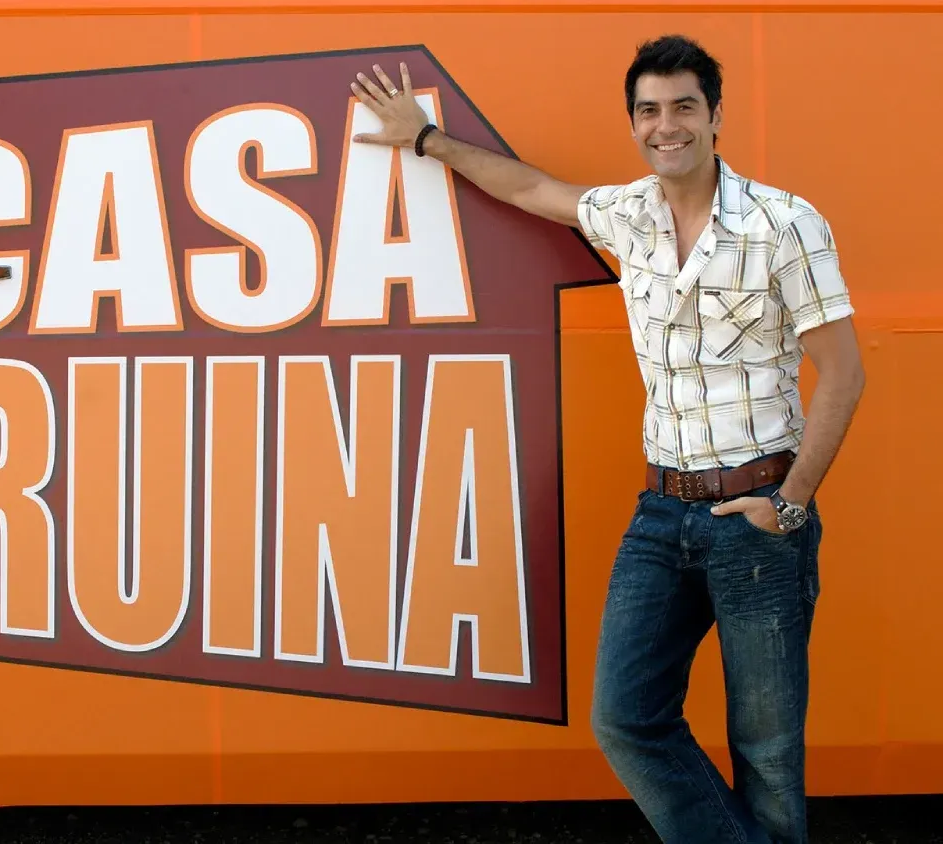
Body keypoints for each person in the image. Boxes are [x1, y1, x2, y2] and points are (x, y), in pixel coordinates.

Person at [349, 35, 866, 844]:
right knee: (624, 718)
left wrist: (791, 505)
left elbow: (843, 372)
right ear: (634, 123)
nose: (668, 126)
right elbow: (527, 187)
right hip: (662, 514)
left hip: (760, 515)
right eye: (650, 111)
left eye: (685, 107)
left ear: (716, 115)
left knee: (766, 753)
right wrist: (425, 138)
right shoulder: (627, 214)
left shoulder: (784, 223)